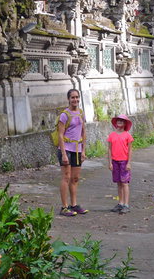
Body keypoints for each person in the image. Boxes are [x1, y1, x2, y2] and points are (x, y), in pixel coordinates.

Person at [57, 88, 87, 217]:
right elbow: (60, 135)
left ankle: (73, 205)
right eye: (72, 97)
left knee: (75, 178)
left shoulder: (81, 113)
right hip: (66, 149)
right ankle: (64, 207)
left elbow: (83, 132)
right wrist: (63, 154)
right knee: (66, 177)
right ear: (68, 99)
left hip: (77, 150)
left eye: (77, 97)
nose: (75, 100)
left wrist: (83, 150)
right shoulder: (64, 115)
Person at [107, 114, 134, 214]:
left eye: (122, 121)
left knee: (124, 183)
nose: (119, 122)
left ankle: (126, 204)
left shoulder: (127, 135)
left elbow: (130, 150)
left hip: (124, 161)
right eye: (118, 121)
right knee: (118, 183)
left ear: (125, 124)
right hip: (115, 162)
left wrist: (129, 163)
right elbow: (109, 149)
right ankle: (120, 203)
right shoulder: (112, 135)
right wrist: (110, 163)